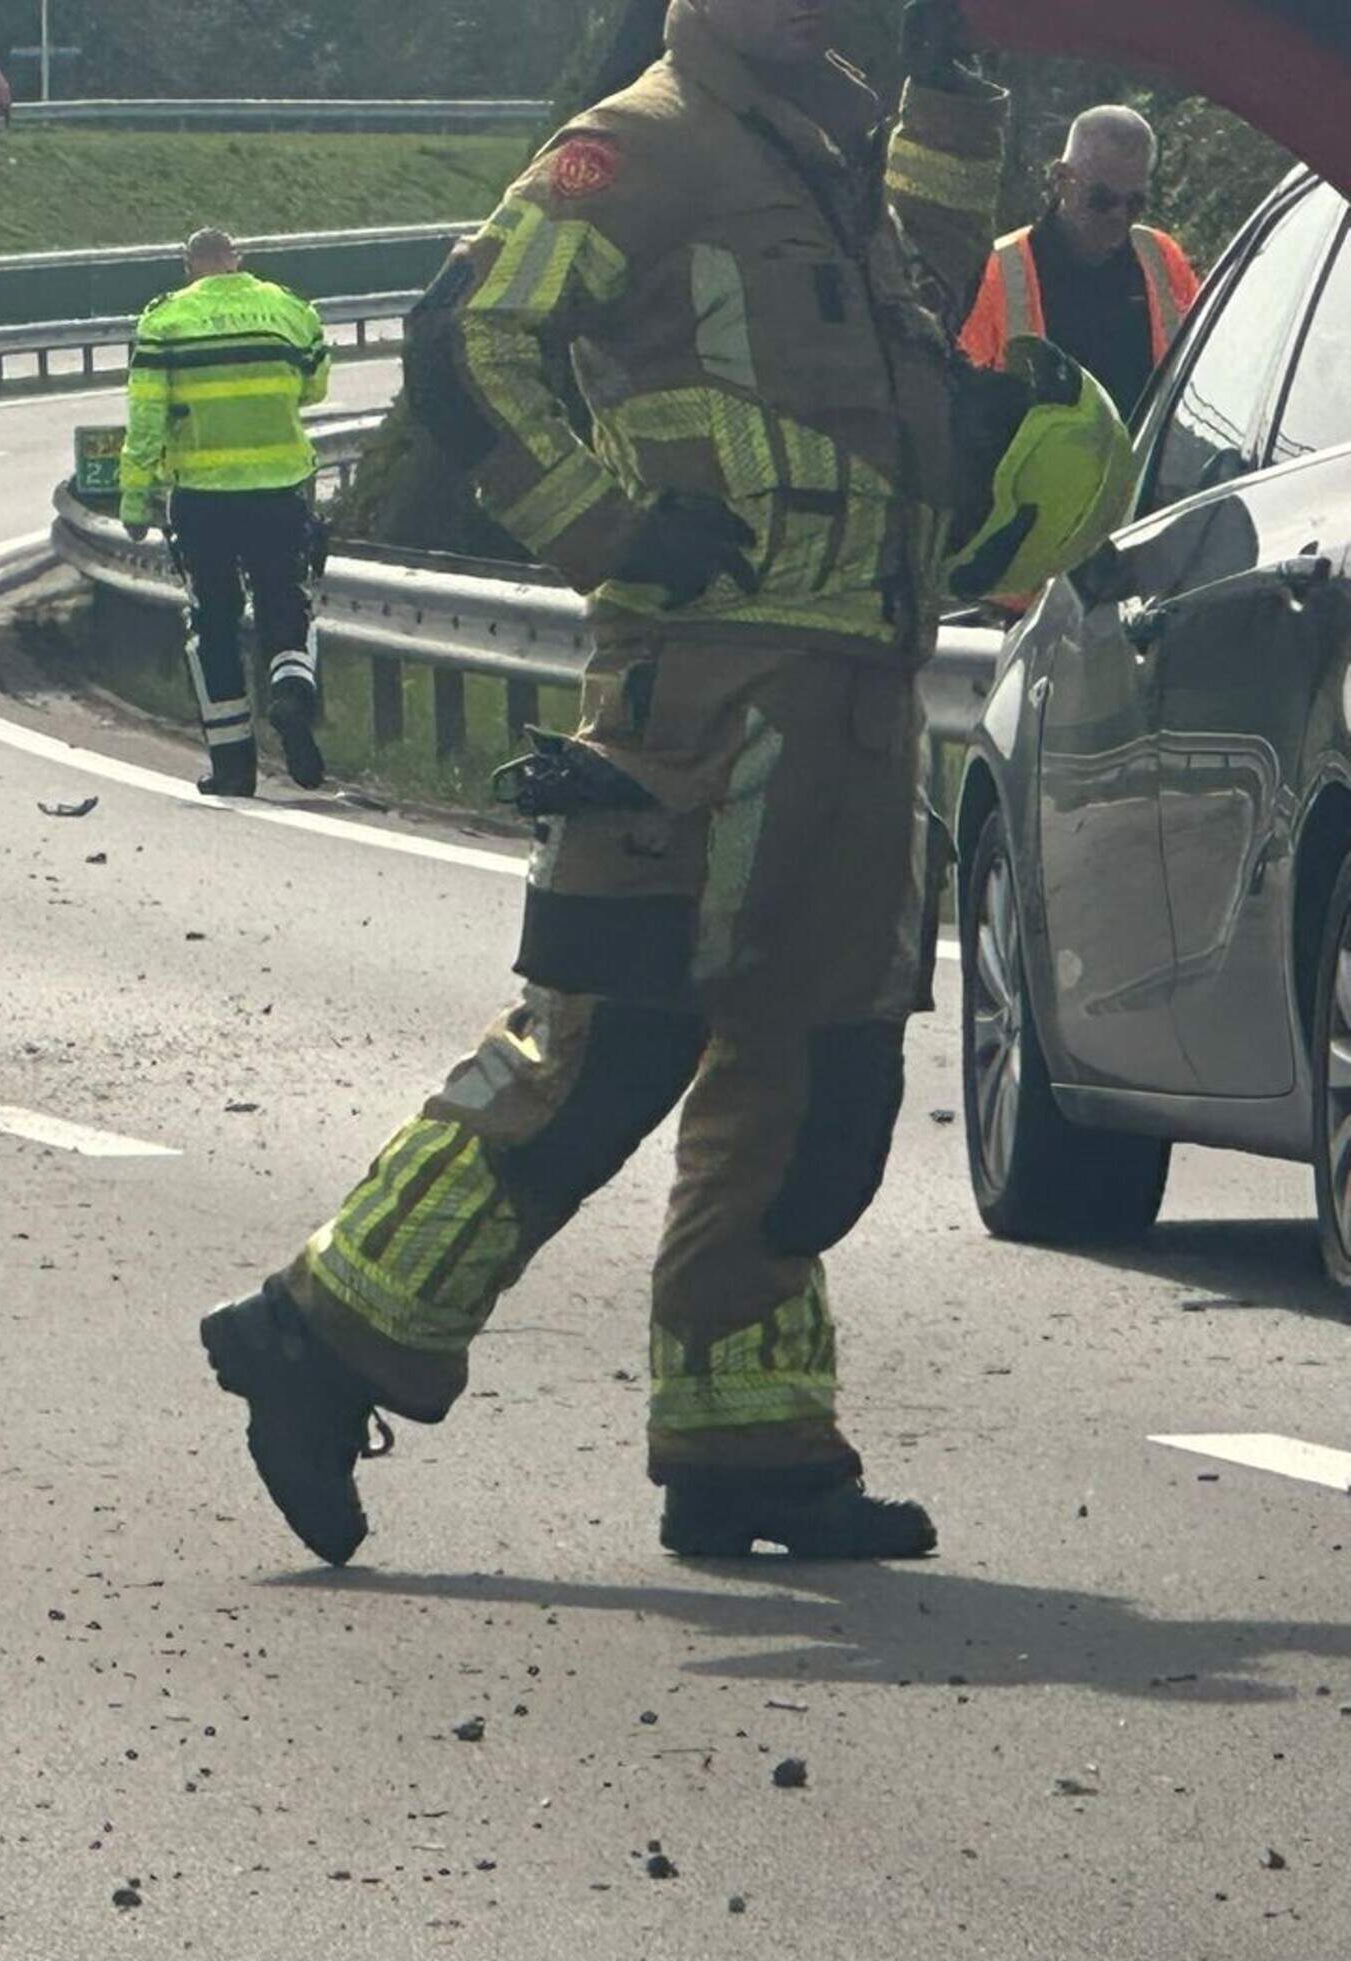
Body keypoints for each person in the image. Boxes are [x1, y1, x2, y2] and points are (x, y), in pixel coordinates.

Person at [197, 0, 1009, 1566]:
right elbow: (466, 339)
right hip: (698, 691)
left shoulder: (833, 146)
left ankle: (749, 1447)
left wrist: (954, 108)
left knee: (815, 1084)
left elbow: (907, 314)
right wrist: (610, 531)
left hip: (858, 687)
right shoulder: (642, 143)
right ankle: (318, 1333)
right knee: (612, 1047)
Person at [117, 228, 333, 796]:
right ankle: (291, 692)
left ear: (187, 265)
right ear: (238, 259)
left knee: (212, 623)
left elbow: (146, 419)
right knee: (285, 601)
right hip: (279, 487)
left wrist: (136, 497)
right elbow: (313, 388)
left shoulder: (164, 321)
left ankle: (234, 767)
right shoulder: (288, 309)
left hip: (202, 495)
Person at [960, 105, 1202, 422]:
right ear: (1062, 179)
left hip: (1149, 451)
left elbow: (1205, 367)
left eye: (1135, 203)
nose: (1118, 216)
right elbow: (965, 405)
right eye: (1102, 199)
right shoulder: (998, 272)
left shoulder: (1163, 258)